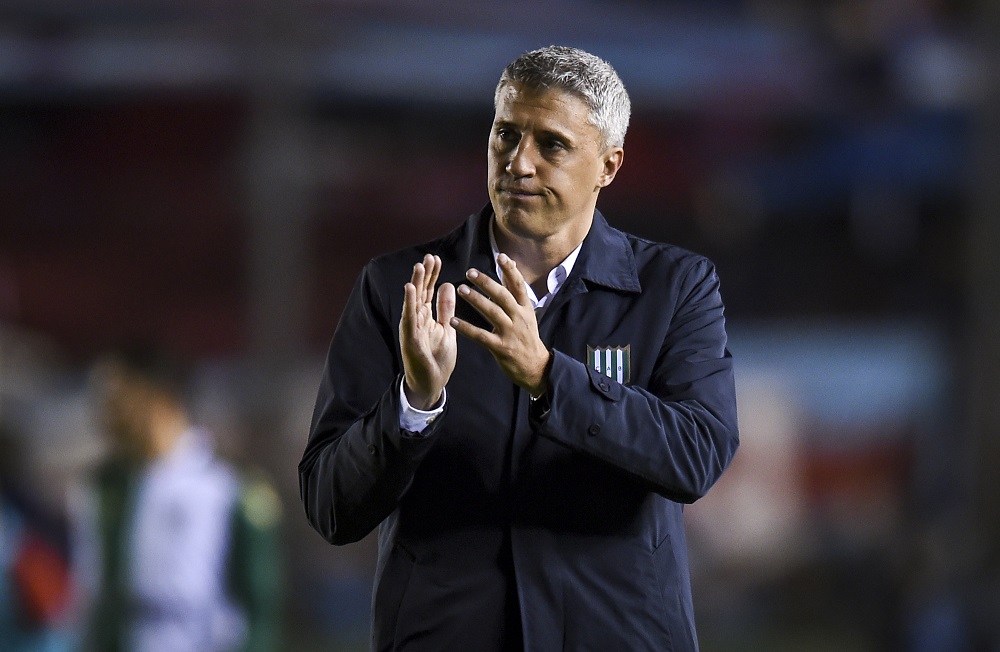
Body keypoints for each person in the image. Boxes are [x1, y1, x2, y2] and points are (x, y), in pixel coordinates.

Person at [299, 45, 739, 651]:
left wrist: (550, 376)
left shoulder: (676, 287)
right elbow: (330, 508)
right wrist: (413, 405)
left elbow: (696, 456)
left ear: (608, 166)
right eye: (506, 134)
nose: (518, 163)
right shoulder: (398, 287)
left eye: (552, 145)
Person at [71, 345, 283, 652]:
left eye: (115, 399)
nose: (104, 414)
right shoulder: (107, 486)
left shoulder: (227, 485)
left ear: (158, 396)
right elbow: (96, 596)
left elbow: (258, 603)